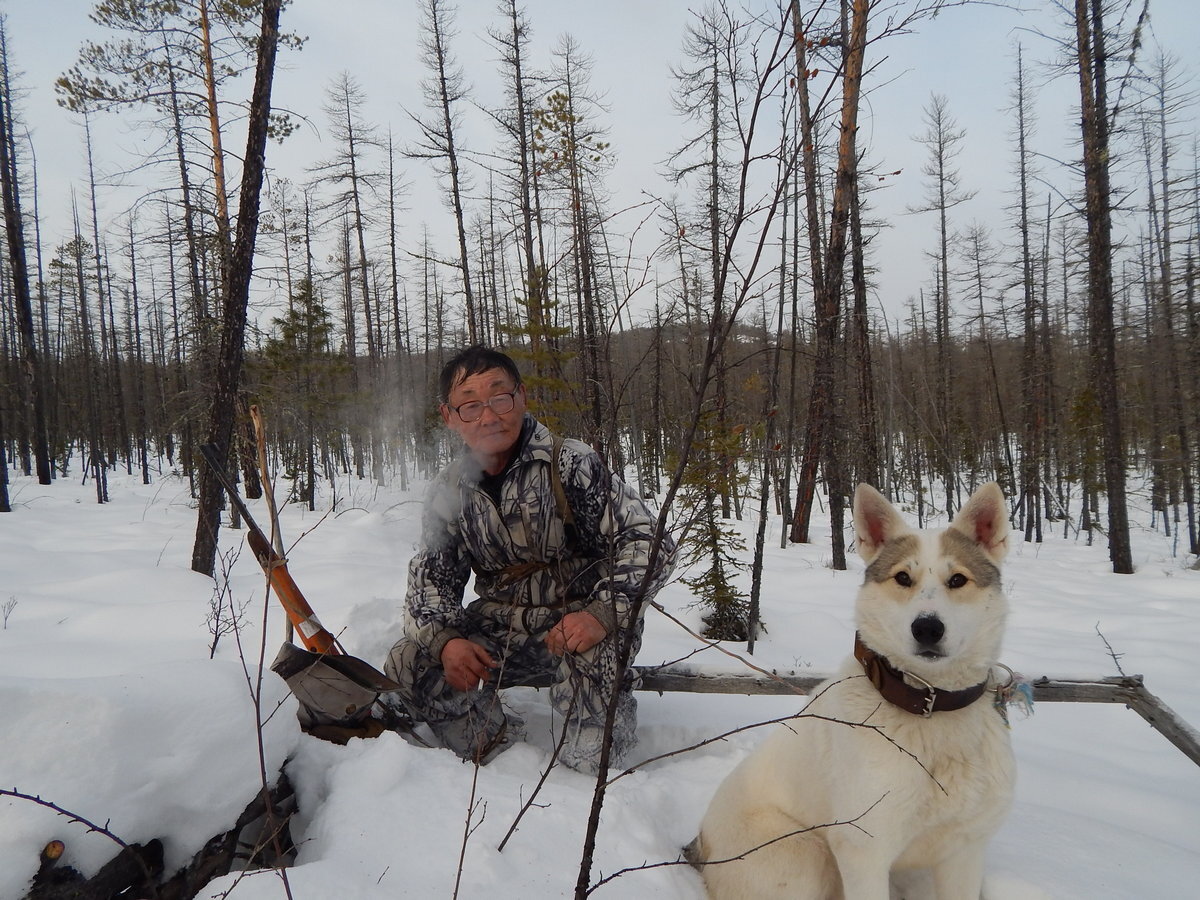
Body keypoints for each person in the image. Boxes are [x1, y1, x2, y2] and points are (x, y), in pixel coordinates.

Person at [384, 346, 675, 774]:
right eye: (470, 405)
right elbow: (430, 580)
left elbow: (648, 542)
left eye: (500, 398)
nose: (489, 415)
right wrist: (448, 640)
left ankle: (599, 772)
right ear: (449, 416)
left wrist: (602, 613)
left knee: (593, 750)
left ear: (521, 397)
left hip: (581, 624)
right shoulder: (449, 490)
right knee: (410, 661)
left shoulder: (570, 463)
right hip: (503, 628)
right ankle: (495, 755)